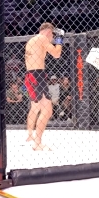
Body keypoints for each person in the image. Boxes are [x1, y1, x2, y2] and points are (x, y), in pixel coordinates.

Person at [24, 22, 63, 151]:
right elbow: (56, 54)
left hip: (30, 75)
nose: (52, 39)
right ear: (48, 32)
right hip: (37, 75)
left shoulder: (32, 40)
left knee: (35, 107)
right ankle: (37, 142)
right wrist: (59, 39)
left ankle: (30, 134)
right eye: (52, 35)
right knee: (47, 110)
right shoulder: (42, 38)